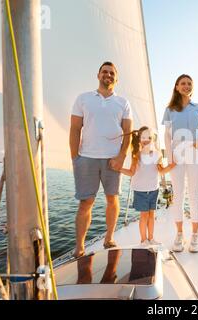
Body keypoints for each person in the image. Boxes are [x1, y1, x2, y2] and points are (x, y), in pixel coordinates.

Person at [69, 61, 132, 258]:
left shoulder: (123, 103)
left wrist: (121, 157)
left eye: (112, 73)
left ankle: (109, 238)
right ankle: (79, 247)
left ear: (116, 78)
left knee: (112, 199)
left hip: (112, 159)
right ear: (98, 75)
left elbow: (128, 132)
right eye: (105, 72)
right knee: (85, 202)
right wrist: (74, 157)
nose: (108, 75)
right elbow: (75, 129)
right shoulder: (83, 99)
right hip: (86, 158)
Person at [162, 74, 198, 253]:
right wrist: (170, 156)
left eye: (189, 83)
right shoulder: (169, 110)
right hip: (176, 156)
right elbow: (167, 134)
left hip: (194, 155)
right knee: (178, 195)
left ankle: (195, 236)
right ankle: (180, 234)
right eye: (183, 83)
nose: (186, 86)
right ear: (176, 86)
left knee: (194, 195)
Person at [120, 126, 175, 247]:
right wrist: (118, 168)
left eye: (149, 137)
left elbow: (161, 171)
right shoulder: (136, 155)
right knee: (144, 215)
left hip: (154, 190)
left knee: (152, 215)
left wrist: (171, 166)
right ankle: (143, 240)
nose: (146, 140)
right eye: (143, 137)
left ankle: (151, 238)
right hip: (140, 191)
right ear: (139, 139)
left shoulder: (157, 154)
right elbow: (131, 172)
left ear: (153, 139)